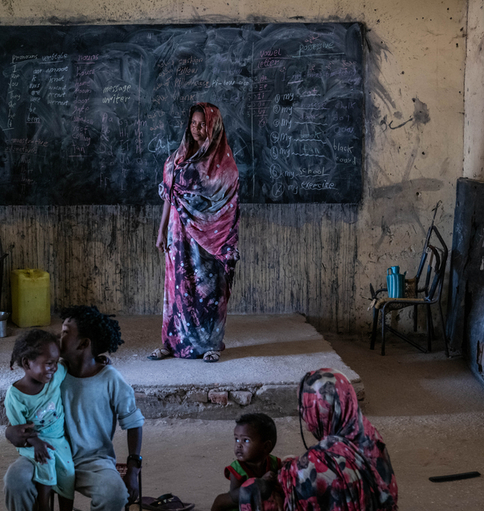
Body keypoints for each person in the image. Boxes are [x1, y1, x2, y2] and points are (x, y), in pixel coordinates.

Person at [4, 306, 144, 511]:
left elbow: (133, 422)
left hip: (93, 461)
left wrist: (133, 468)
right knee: (16, 479)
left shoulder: (110, 379)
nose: (58, 338)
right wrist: (10, 431)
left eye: (65, 333)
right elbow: (27, 407)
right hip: (48, 452)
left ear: (84, 344)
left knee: (114, 494)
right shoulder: (52, 374)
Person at [150, 102, 240, 363]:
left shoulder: (224, 165)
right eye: (193, 123)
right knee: (177, 288)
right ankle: (172, 343)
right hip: (178, 235)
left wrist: (208, 226)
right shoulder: (176, 159)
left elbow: (227, 205)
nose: (197, 129)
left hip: (210, 238)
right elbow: (169, 197)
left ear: (214, 127)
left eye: (203, 125)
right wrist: (161, 231)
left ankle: (211, 344)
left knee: (208, 289)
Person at [239, 368, 398, 511]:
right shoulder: (368, 433)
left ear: (322, 409)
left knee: (251, 490)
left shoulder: (315, 466)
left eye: (305, 404)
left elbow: (308, 474)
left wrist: (287, 472)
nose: (300, 410)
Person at [6, 330, 74, 511]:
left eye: (56, 362)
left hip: (59, 440)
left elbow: (72, 362)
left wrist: (99, 359)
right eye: (49, 363)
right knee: (46, 460)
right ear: (26, 363)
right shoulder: (16, 396)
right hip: (32, 443)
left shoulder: (55, 377)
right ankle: (44, 506)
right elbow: (20, 429)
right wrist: (36, 442)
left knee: (68, 474)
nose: (54, 368)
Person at [211, 413, 283, 511]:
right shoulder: (237, 468)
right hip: (240, 504)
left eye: (246, 440)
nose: (238, 445)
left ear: (266, 447)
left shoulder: (275, 463)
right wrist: (260, 484)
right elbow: (234, 495)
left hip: (265, 504)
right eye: (237, 439)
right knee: (219, 500)